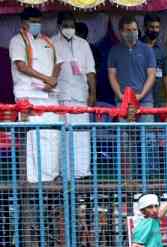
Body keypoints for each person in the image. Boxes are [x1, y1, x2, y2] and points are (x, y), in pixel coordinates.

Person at [10, 7, 63, 183]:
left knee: (52, 137)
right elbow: (21, 66)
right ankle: (35, 180)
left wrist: (53, 79)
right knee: (34, 138)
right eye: (32, 21)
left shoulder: (47, 40)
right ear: (23, 22)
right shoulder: (17, 41)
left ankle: (51, 177)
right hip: (29, 96)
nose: (36, 24)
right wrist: (45, 78)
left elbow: (58, 63)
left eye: (38, 21)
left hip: (50, 96)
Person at [51, 11, 95, 179]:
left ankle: (82, 172)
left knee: (81, 135)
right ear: (59, 26)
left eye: (71, 25)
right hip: (60, 97)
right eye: (66, 26)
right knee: (62, 136)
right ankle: (64, 172)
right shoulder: (52, 43)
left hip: (80, 97)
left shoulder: (83, 44)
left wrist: (92, 94)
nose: (69, 28)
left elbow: (91, 71)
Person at [108, 15, 156, 118]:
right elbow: (112, 76)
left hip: (145, 101)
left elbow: (152, 75)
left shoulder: (147, 50)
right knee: (124, 133)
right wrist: (121, 96)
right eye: (128, 30)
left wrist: (141, 95)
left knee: (146, 133)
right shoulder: (114, 51)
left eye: (134, 29)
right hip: (122, 102)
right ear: (121, 32)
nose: (132, 33)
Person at [142, 14, 167, 108]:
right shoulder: (137, 47)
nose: (154, 30)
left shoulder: (164, 50)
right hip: (140, 96)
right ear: (145, 28)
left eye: (157, 27)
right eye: (151, 27)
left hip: (158, 97)